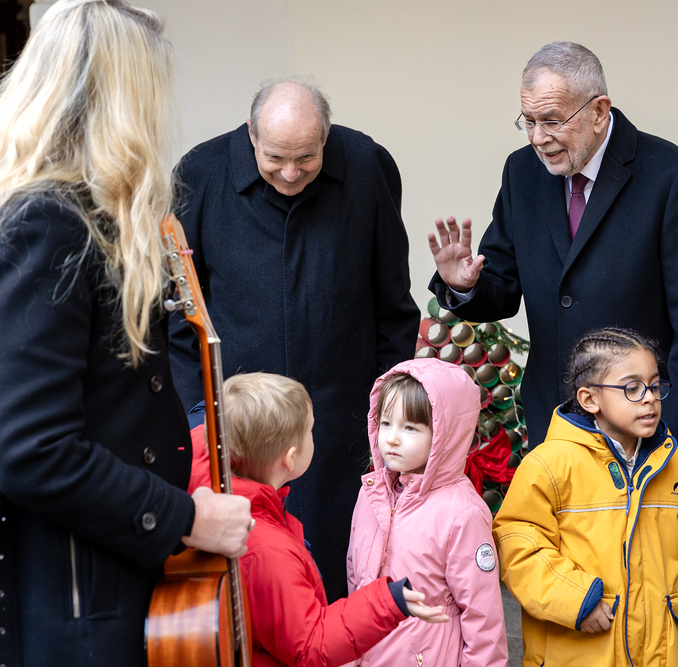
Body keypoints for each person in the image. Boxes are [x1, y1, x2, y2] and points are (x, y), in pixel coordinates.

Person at [0, 2, 252, 665]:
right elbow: (33, 450)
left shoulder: (78, 216)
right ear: (121, 102)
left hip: (114, 577)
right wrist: (186, 518)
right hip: (77, 606)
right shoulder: (48, 223)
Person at [168, 79, 420, 598]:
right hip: (238, 428)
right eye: (275, 158)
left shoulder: (366, 165)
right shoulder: (200, 173)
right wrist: (200, 419)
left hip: (341, 423)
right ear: (250, 135)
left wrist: (388, 411)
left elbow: (393, 305)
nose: (290, 172)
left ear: (326, 137)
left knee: (338, 578)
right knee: (252, 587)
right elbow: (174, 321)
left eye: (306, 157)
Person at [428, 41, 678, 452]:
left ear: (599, 112)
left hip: (641, 430)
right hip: (552, 426)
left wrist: (673, 448)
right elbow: (502, 287)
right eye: (528, 121)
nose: (538, 138)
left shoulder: (672, 176)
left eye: (551, 121)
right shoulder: (521, 172)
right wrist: (464, 285)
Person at [188, 373, 448, 666]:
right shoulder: (268, 551)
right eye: (310, 430)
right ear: (290, 459)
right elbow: (311, 645)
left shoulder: (204, 483)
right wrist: (387, 601)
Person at [493, 327, 678, 666]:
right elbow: (518, 550)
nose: (649, 398)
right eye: (632, 388)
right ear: (589, 400)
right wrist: (578, 600)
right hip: (576, 653)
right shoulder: (548, 465)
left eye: (655, 386)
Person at [346, 358, 508, 666]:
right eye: (386, 423)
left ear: (444, 436)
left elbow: (483, 618)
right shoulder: (371, 494)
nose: (392, 438)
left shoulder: (462, 513)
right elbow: (355, 577)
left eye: (410, 428)